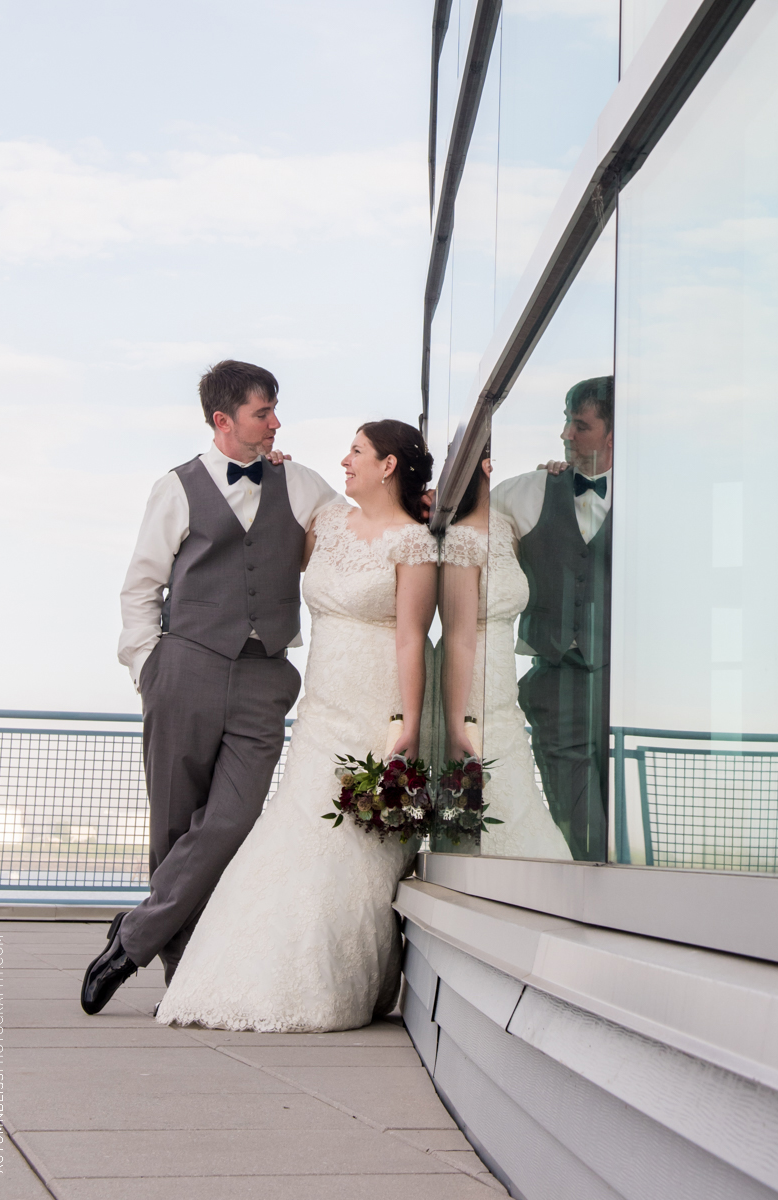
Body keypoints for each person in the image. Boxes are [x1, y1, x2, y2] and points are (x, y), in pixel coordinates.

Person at [154, 420, 437, 1032]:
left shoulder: (414, 545)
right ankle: (247, 970)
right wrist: (272, 466)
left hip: (375, 701)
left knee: (352, 846)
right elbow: (261, 552)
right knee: (293, 831)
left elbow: (413, 639)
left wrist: (408, 725)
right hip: (321, 703)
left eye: (356, 452)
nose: (344, 460)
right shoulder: (329, 522)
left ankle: (335, 979)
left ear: (387, 466)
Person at [81, 360, 339, 1015]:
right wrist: (148, 667)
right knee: (174, 828)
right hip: (184, 670)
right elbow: (141, 585)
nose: (275, 423)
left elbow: (354, 537)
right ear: (223, 420)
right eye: (262, 412)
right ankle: (185, 975)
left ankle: (130, 940)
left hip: (264, 676)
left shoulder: (301, 483)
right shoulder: (175, 487)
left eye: (275, 409)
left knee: (231, 818)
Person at [492, 376, 613, 861]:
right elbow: (460, 520)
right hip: (555, 684)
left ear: (613, 435)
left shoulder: (651, 499)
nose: (565, 434)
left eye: (579, 425)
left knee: (614, 821)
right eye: (565, 421)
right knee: (582, 827)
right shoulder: (525, 492)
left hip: (619, 688)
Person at [438, 452, 572, 859]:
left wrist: (559, 476)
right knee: (490, 800)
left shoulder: (505, 525)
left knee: (516, 794)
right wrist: (456, 722)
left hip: (503, 690)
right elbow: (459, 636)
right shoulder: (460, 536)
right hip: (471, 683)